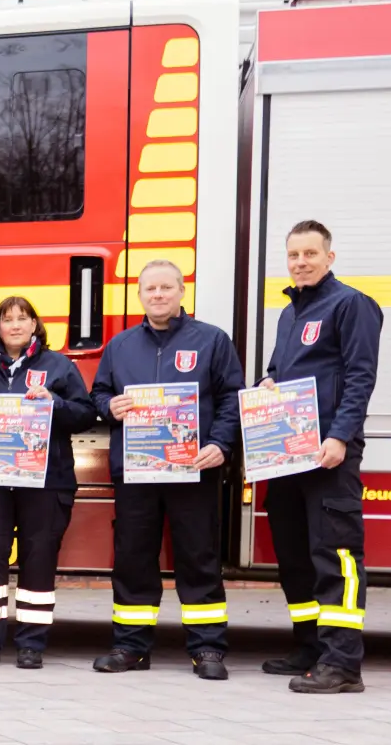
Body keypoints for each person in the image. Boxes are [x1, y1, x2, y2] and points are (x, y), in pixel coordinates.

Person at [90, 259, 245, 680]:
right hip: (137, 473)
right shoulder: (119, 345)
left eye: (166, 288)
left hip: (193, 471)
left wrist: (221, 444)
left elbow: (233, 398)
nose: (158, 295)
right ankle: (131, 647)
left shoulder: (212, 340)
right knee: (133, 559)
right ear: (140, 295)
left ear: (181, 292)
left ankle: (208, 648)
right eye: (150, 289)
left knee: (199, 558)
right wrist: (109, 407)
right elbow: (99, 394)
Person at [257, 220, 383, 694]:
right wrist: (268, 385)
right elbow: (279, 371)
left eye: (310, 253)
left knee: (337, 556)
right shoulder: (290, 313)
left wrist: (341, 437)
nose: (301, 262)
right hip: (289, 455)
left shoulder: (351, 304)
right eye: (293, 255)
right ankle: (310, 647)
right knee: (295, 556)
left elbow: (360, 377)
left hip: (330, 454)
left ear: (329, 257)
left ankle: (343, 663)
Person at [0, 295, 99, 670]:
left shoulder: (58, 366)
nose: (16, 325)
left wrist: (53, 402)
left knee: (39, 559)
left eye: (24, 318)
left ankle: (30, 644)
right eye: (8, 320)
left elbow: (86, 414)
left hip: (46, 481)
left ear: (36, 325)